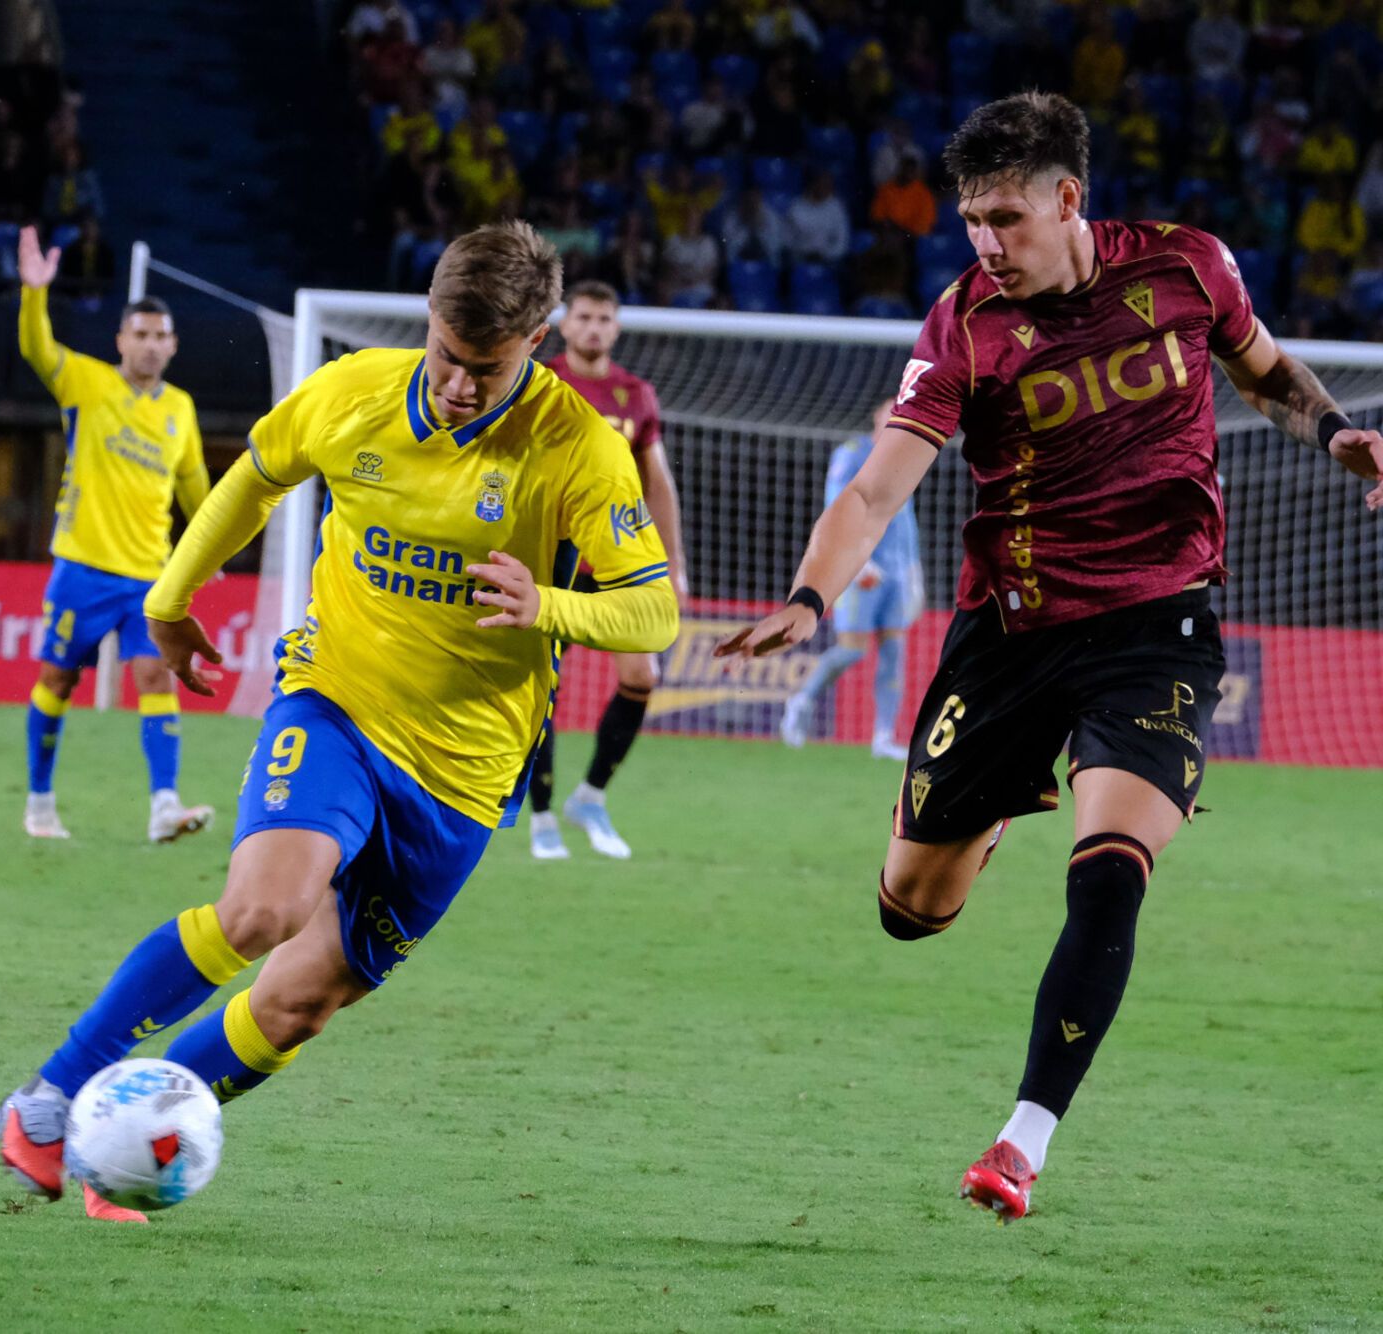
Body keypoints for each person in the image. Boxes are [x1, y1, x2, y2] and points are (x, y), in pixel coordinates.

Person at [718, 92, 1383, 1222]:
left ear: (1067, 199)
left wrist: (1335, 433)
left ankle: (1021, 1142)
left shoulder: (1187, 266)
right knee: (909, 910)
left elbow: (1266, 373)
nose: (984, 242)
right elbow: (876, 488)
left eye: (1004, 218)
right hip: (1011, 632)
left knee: (1112, 866)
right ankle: (986, 816)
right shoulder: (963, 324)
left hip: (1159, 624)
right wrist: (807, 597)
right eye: (970, 220)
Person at [0, 222, 678, 1220]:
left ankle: (127, 1144)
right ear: (427, 318)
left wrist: (551, 605)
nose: (457, 384)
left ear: (535, 341)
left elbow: (652, 611)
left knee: (297, 1003)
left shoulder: (578, 445)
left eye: (485, 368)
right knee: (262, 911)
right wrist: (170, 599)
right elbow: (256, 476)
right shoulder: (354, 391)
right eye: (446, 353)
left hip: (464, 774)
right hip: (337, 704)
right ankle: (50, 1099)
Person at [13, 226, 216, 845]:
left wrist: (210, 547)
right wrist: (34, 294)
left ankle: (164, 805)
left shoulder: (180, 408)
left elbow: (195, 487)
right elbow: (37, 349)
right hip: (82, 566)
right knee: (58, 681)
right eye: (140, 335)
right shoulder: (87, 383)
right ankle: (40, 801)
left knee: (155, 677)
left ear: (173, 344)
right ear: (121, 339)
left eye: (160, 336)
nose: (150, 345)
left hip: (149, 576)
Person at [527, 280, 687, 860]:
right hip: (552, 560)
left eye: (604, 319)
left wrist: (675, 565)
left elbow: (657, 483)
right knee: (541, 687)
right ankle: (541, 814)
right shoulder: (539, 382)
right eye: (585, 317)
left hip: (617, 559)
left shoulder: (635, 394)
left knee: (642, 677)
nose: (593, 328)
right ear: (565, 324)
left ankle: (590, 796)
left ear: (616, 328)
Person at [779, 397, 924, 760]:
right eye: (891, 412)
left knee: (894, 653)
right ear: (877, 417)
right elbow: (837, 505)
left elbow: (905, 519)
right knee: (852, 649)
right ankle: (801, 700)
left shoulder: (907, 457)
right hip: (861, 571)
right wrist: (857, 560)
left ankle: (883, 737)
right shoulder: (853, 453)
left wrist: (913, 572)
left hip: (896, 573)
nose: (896, 418)